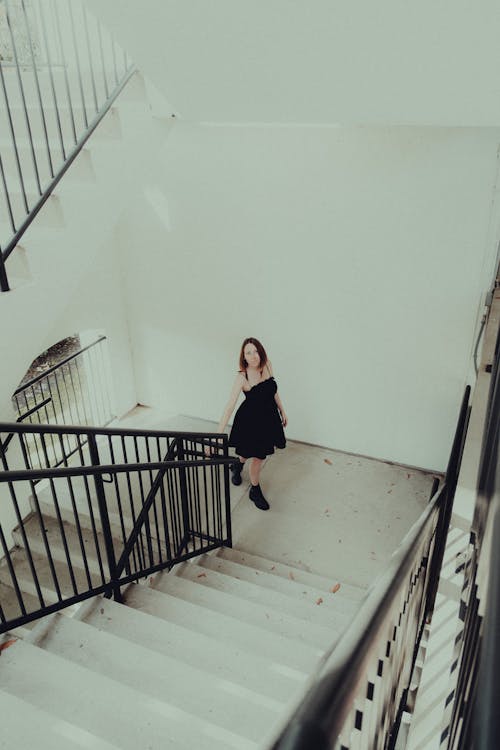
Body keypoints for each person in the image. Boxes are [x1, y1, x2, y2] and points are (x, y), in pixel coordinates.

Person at [212, 337, 288, 510]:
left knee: (252, 455)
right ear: (243, 357)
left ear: (260, 352)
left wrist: (282, 410)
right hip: (250, 421)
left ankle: (236, 466)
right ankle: (255, 490)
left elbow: (273, 390)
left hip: (268, 419)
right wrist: (218, 434)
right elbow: (229, 406)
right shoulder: (242, 376)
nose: (253, 356)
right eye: (248, 353)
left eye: (255, 351)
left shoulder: (267, 364)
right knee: (255, 455)